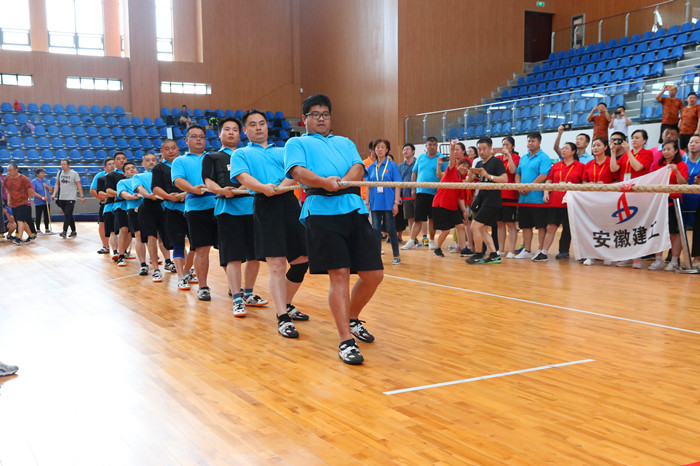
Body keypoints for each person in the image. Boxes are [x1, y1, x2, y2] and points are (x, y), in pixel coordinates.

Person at [285, 94, 383, 365]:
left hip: (353, 209)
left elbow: (358, 167)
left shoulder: (345, 142)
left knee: (374, 274)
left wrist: (343, 182)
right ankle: (345, 340)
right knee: (339, 275)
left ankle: (352, 318)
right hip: (320, 213)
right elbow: (297, 172)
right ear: (304, 118)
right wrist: (324, 183)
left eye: (325, 114)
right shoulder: (297, 143)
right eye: (315, 114)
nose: (321, 119)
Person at [232, 109, 310, 337]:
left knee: (302, 260)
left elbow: (294, 173)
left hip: (288, 203)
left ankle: (285, 303)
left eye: (261, 123)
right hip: (265, 205)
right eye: (252, 124)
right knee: (276, 265)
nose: (258, 127)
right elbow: (243, 177)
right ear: (245, 130)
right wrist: (265, 188)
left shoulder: (284, 151)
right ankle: (282, 317)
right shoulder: (241, 153)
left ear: (267, 126)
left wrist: (280, 188)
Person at [202, 116, 268, 317]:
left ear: (241, 134)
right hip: (228, 211)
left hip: (253, 210)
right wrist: (222, 191)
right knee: (233, 257)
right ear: (219, 134)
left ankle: (248, 293)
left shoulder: (248, 154)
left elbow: (256, 177)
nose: (231, 133)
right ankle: (237, 298)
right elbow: (208, 181)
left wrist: (243, 187)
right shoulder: (212, 157)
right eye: (227, 129)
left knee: (255, 256)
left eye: (235, 130)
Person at [172, 125, 218, 301]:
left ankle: (234, 287)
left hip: (219, 206)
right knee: (201, 249)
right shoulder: (180, 161)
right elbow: (178, 180)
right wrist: (193, 189)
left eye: (201, 136)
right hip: (196, 209)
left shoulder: (213, 158)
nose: (198, 139)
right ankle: (203, 286)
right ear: (186, 140)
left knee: (226, 249)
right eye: (194, 136)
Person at [152, 139, 196, 290]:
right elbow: (156, 188)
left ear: (178, 149)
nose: (171, 151)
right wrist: (169, 197)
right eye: (167, 149)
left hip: (192, 208)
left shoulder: (185, 163)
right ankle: (181, 277)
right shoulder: (159, 168)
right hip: (172, 210)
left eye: (173, 148)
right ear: (162, 152)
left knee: (196, 245)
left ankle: (186, 271)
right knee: (178, 244)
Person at [133, 152, 175, 282]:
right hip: (148, 208)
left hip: (163, 206)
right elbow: (140, 189)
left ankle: (168, 261)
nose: (151, 162)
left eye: (153, 160)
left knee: (164, 236)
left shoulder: (162, 173)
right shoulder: (138, 176)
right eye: (147, 160)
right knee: (151, 238)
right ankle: (156, 269)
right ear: (142, 163)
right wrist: (149, 195)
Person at [465, 137, 508, 264]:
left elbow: (505, 179)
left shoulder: (496, 162)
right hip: (482, 199)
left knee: (474, 227)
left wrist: (488, 176)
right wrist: (470, 175)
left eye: (484, 149)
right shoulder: (478, 164)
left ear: (490, 148)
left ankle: (479, 254)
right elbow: (469, 180)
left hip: (492, 200)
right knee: (482, 229)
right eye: (479, 149)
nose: (481, 151)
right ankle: (494, 255)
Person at [539, 142, 585, 261]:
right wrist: (546, 193)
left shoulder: (580, 166)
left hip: (571, 202)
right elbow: (548, 181)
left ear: (573, 151)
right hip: (555, 200)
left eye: (566, 148)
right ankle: (543, 252)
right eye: (562, 148)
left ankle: (566, 251)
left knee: (569, 228)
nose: (563, 150)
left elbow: (584, 184)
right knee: (551, 226)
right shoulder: (556, 165)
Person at [401, 136, 447, 250]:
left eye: (434, 145)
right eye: (430, 145)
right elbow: (414, 173)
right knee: (418, 218)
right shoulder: (421, 157)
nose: (432, 147)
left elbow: (446, 175)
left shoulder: (442, 158)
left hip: (436, 193)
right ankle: (411, 241)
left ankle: (431, 241)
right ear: (426, 146)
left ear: (437, 146)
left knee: (432, 219)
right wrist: (413, 189)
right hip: (421, 192)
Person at [649, 140, 688, 271]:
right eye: (664, 149)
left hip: (673, 203)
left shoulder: (681, 165)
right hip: (659, 203)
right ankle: (658, 260)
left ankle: (674, 261)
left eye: (669, 149)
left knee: (673, 233)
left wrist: (676, 171)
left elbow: (683, 183)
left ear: (676, 151)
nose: (665, 152)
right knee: (657, 231)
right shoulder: (658, 166)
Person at [514, 131, 552, 259]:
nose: (530, 143)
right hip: (523, 199)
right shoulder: (523, 158)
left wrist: (529, 187)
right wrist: (518, 186)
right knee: (525, 226)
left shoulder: (544, 157)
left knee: (541, 226)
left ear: (539, 142)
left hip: (537, 199)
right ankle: (527, 250)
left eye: (533, 141)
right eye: (529, 141)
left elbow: (543, 175)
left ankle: (541, 250)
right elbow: (518, 173)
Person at [366, 138, 402, 264]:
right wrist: (367, 202)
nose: (380, 149)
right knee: (376, 229)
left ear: (387, 150)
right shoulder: (371, 167)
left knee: (391, 229)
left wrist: (396, 203)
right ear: (374, 150)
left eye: (382, 147)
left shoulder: (392, 165)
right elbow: (368, 186)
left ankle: (396, 255)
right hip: (375, 203)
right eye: (377, 147)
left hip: (389, 202)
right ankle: (377, 257)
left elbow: (398, 185)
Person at [581, 138, 615, 266]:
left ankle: (608, 254)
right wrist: (590, 185)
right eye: (593, 145)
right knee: (591, 227)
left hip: (608, 200)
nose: (595, 148)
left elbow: (618, 181)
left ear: (605, 147)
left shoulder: (611, 162)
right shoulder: (589, 164)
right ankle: (591, 254)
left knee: (607, 227)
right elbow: (583, 181)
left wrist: (605, 186)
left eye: (598, 145)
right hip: (592, 200)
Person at [432, 143, 469, 257]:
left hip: (453, 207)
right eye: (462, 165)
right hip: (441, 205)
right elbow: (452, 161)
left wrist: (464, 211)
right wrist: (452, 149)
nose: (464, 168)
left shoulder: (461, 181)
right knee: (446, 231)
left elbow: (460, 198)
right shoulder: (451, 171)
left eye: (467, 167)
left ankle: (463, 249)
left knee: (461, 226)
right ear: (458, 165)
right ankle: (437, 249)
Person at [117, 162, 148, 275]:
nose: (132, 170)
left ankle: (163, 260)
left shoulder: (142, 179)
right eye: (128, 169)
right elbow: (124, 194)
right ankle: (142, 264)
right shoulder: (122, 182)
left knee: (153, 236)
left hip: (148, 209)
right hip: (134, 210)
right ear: (124, 173)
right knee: (138, 235)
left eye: (133, 168)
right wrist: (132, 196)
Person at [91, 156, 121, 255]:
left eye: (113, 164)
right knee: (102, 225)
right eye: (109, 164)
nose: (112, 166)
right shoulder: (100, 176)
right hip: (106, 205)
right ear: (104, 167)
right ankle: (105, 246)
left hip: (120, 204)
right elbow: (93, 191)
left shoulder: (121, 175)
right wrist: (106, 198)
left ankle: (121, 250)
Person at [495, 136, 520, 258]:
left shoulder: (516, 158)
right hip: (497, 194)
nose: (504, 147)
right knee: (500, 223)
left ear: (512, 147)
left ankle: (511, 249)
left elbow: (512, 171)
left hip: (510, 195)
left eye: (507, 145)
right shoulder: (498, 158)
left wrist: (509, 156)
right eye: (503, 144)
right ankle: (501, 249)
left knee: (510, 223)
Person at [3, 162, 39, 244]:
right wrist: (9, 200)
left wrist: (25, 198)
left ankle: (19, 238)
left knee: (19, 220)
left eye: (10, 170)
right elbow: (8, 190)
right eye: (8, 170)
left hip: (22, 203)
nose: (9, 172)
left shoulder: (24, 179)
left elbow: (31, 190)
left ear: (16, 170)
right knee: (21, 221)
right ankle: (31, 235)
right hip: (13, 204)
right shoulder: (7, 179)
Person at [52, 159, 84, 238]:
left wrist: (82, 196)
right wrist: (54, 194)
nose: (63, 166)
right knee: (68, 215)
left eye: (64, 164)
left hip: (71, 197)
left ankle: (64, 231)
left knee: (67, 214)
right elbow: (57, 184)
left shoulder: (74, 174)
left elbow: (79, 185)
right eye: (62, 164)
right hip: (62, 197)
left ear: (68, 165)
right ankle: (73, 231)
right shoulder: (59, 173)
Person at [396, 143, 416, 242]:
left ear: (413, 151)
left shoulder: (418, 163)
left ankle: (424, 237)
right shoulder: (400, 166)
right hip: (406, 196)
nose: (405, 151)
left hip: (417, 194)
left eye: (408, 149)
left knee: (419, 218)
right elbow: (398, 182)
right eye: (404, 150)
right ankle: (413, 238)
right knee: (410, 218)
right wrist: (398, 196)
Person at [682, 134, 700, 233]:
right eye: (691, 142)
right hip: (682, 198)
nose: (692, 144)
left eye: (696, 142)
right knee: (681, 229)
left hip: (697, 199)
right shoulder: (681, 159)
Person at [31, 168, 52, 234]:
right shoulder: (34, 182)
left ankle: (47, 228)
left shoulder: (45, 180)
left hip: (47, 201)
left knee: (47, 215)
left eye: (43, 173)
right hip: (38, 202)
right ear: (37, 174)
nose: (43, 174)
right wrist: (42, 197)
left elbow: (51, 189)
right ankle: (38, 229)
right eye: (42, 173)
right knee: (38, 216)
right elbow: (33, 192)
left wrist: (47, 186)